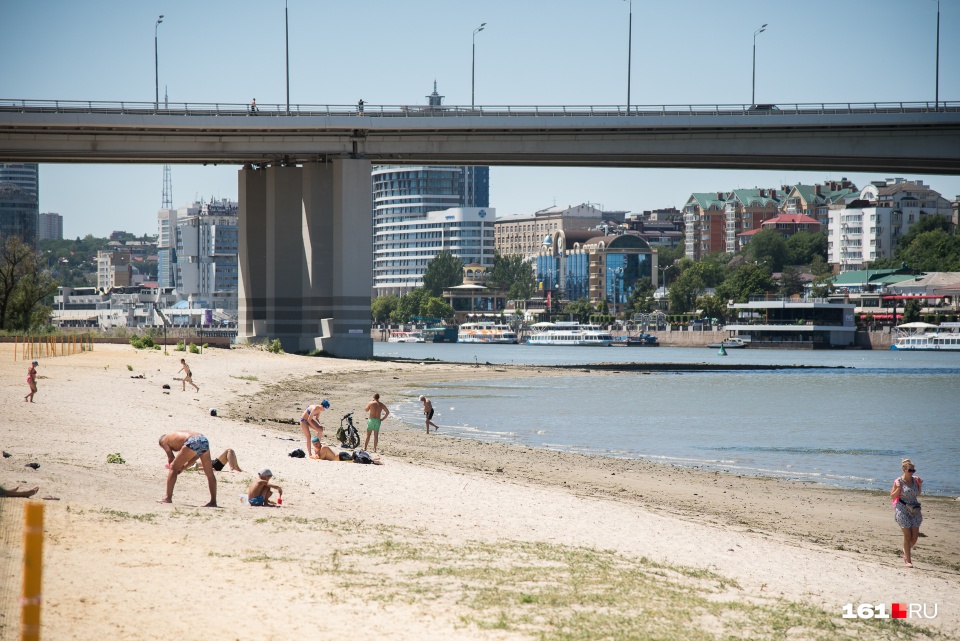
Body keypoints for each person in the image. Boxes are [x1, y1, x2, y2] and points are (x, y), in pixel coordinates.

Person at [158, 431, 217, 507]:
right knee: (209, 473)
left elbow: (170, 457)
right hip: (203, 440)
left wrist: (174, 469)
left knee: (173, 467)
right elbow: (196, 455)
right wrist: (183, 467)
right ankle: (213, 501)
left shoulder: (163, 441)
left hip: (192, 441)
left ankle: (167, 498)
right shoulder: (174, 436)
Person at [890, 458, 923, 568]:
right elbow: (892, 496)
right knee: (907, 535)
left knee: (915, 537)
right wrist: (898, 488)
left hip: (914, 509)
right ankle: (908, 561)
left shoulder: (915, 480)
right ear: (903, 469)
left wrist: (920, 484)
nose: (912, 472)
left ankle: (905, 549)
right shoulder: (898, 481)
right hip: (902, 508)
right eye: (910, 470)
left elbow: (917, 493)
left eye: (913, 470)